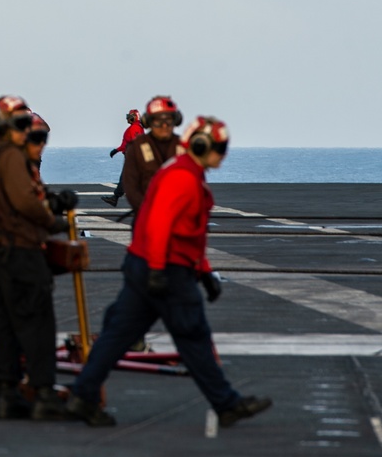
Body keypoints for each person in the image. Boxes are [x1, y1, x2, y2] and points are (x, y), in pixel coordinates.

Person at [67, 117, 273, 428]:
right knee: (194, 336)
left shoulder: (183, 173)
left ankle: (82, 395)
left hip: (147, 266)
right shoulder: (183, 179)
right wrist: (161, 271)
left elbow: (186, 232)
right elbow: (161, 226)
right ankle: (226, 404)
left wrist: (203, 271)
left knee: (117, 335)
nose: (223, 154)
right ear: (203, 147)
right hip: (165, 270)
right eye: (220, 148)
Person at [0, 96, 75, 421]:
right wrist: (52, 220)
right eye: (19, 126)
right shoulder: (12, 157)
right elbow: (24, 201)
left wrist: (50, 200)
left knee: (5, 324)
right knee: (38, 324)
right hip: (22, 250)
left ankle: (2, 392)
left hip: (0, 250)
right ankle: (43, 392)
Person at [122, 95, 183, 219]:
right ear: (148, 121)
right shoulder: (137, 149)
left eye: (168, 120)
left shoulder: (183, 148)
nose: (164, 125)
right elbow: (131, 186)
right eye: (158, 120)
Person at [101, 109, 144, 208]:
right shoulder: (135, 128)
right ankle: (115, 198)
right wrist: (116, 150)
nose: (128, 118)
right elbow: (125, 144)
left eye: (130, 116)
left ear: (134, 117)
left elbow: (136, 142)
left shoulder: (135, 128)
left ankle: (115, 198)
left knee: (126, 179)